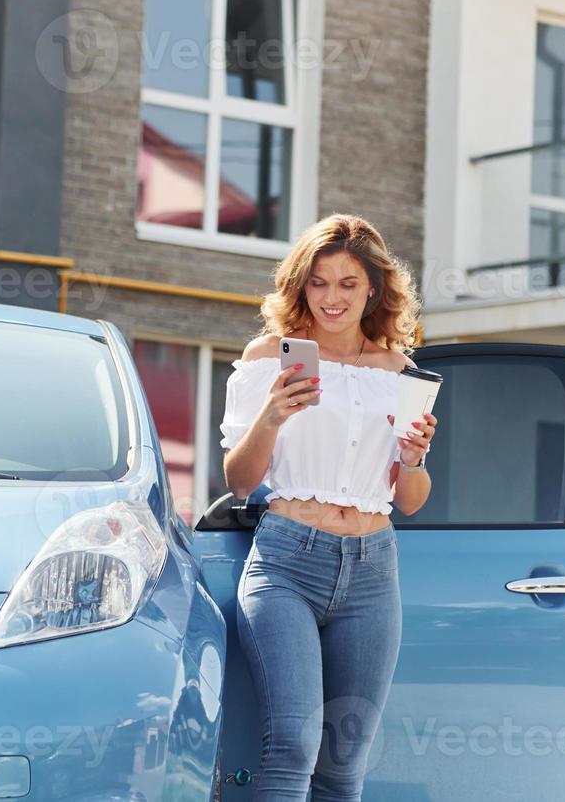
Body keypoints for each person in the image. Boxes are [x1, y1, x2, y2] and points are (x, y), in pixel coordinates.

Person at [219, 213, 437, 802]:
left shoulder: (401, 374)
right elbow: (240, 481)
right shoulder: (270, 357)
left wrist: (414, 459)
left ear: (373, 288)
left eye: (347, 282)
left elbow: (410, 500)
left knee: (342, 765)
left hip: (372, 568)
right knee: (291, 747)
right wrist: (271, 415)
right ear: (300, 285)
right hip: (288, 560)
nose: (332, 297)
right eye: (319, 282)